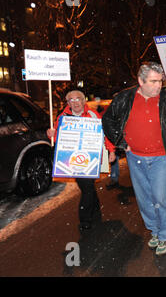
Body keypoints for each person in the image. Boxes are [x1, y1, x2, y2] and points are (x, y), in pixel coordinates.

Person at [102, 62, 166, 256]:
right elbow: (108, 120)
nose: (158, 85)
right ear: (140, 81)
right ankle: (154, 231)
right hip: (135, 157)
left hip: (159, 158)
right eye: (153, 81)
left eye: (160, 81)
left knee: (160, 198)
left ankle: (164, 235)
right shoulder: (124, 98)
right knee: (144, 199)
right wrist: (121, 143)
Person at [47, 90, 116, 231]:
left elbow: (104, 134)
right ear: (68, 103)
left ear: (84, 101)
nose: (75, 102)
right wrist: (51, 134)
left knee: (87, 188)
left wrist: (111, 150)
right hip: (73, 161)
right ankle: (94, 208)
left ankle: (85, 218)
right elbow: (59, 138)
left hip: (91, 159)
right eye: (71, 100)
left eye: (78, 99)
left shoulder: (92, 115)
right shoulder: (63, 117)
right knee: (87, 187)